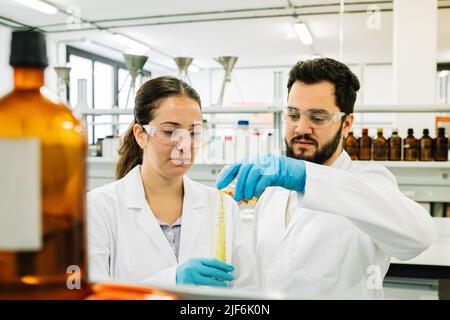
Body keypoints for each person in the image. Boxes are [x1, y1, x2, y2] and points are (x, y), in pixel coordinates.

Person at [217, 58, 436, 299]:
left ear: (346, 124)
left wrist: (304, 179)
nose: (301, 128)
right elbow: (260, 279)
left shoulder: (368, 181)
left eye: (317, 118)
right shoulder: (273, 191)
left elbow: (419, 237)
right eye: (293, 115)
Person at [87, 76, 254, 289]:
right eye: (169, 132)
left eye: (194, 133)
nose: (185, 144)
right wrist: (169, 282)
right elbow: (88, 293)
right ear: (141, 135)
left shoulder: (222, 207)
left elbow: (247, 291)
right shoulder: (98, 208)